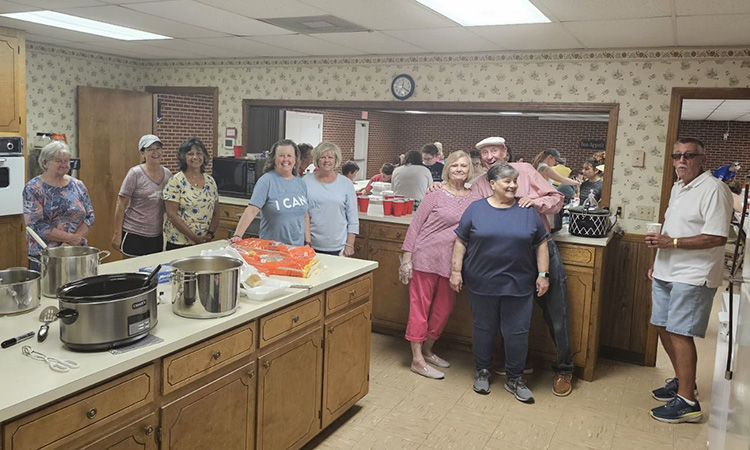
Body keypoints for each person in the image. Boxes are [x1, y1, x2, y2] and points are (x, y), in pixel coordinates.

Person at [471, 137, 573, 397]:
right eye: (485, 153)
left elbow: (557, 198)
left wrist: (534, 201)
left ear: (505, 151)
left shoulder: (526, 170)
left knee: (556, 313)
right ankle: (516, 366)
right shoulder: (481, 184)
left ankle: (564, 368)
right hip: (503, 258)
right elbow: (466, 210)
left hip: (539, 249)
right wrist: (437, 187)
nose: (490, 156)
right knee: (508, 316)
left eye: (495, 150)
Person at [646, 138, 733, 423]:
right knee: (661, 326)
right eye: (677, 155)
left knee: (680, 332)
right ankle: (684, 382)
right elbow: (673, 230)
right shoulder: (678, 188)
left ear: (702, 159)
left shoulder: (714, 189)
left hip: (693, 274)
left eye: (689, 155)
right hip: (666, 270)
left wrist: (671, 243)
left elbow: (717, 236)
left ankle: (688, 403)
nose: (682, 160)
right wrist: (657, 262)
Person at [450, 163, 549, 401]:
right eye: (507, 181)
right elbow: (461, 241)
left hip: (519, 284)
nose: (512, 185)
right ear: (492, 184)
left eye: (514, 181)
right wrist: (456, 271)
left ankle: (515, 378)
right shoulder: (476, 209)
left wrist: (543, 275)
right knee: (483, 329)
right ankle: (482, 371)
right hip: (481, 282)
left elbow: (542, 243)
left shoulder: (527, 210)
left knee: (517, 332)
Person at [400, 151, 479, 379]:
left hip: (453, 262)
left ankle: (428, 349)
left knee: (444, 309)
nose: (459, 169)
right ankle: (416, 359)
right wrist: (407, 258)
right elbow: (415, 226)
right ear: (447, 169)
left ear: (469, 170)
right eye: (455, 165)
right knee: (419, 308)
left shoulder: (474, 198)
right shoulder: (435, 193)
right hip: (425, 257)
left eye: (464, 166)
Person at [23, 141, 95, 269]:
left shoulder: (78, 185)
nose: (64, 164)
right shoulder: (33, 188)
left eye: (67, 161)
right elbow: (35, 225)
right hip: (46, 255)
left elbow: (90, 216)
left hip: (76, 251)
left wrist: (72, 242)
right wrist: (70, 239)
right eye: (58, 161)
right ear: (45, 163)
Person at [231, 139, 309, 246]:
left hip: (296, 249)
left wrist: (307, 242)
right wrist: (237, 235)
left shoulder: (301, 184)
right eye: (281, 155)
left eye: (289, 155)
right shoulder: (266, 181)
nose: (285, 159)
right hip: (272, 249)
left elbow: (305, 215)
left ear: (295, 159)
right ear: (274, 159)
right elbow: (252, 210)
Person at [112, 134, 172, 257]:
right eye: (150, 149)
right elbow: (121, 204)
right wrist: (117, 234)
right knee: (131, 273)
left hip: (156, 234)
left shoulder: (167, 174)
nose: (155, 152)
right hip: (134, 233)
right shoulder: (135, 173)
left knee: (152, 272)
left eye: (158, 148)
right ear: (142, 154)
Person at [163, 137, 220, 250]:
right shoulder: (176, 181)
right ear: (183, 157)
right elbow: (172, 215)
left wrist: (210, 234)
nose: (195, 157)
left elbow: (216, 213)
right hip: (179, 243)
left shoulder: (210, 181)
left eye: (199, 153)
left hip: (204, 242)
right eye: (190, 154)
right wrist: (194, 238)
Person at [303, 142, 358, 256]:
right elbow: (302, 214)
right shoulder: (305, 181)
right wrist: (305, 242)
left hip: (339, 247)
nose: (326, 160)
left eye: (330, 157)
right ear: (317, 160)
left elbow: (352, 217)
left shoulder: (346, 183)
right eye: (323, 157)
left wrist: (350, 244)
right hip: (310, 246)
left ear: (335, 160)